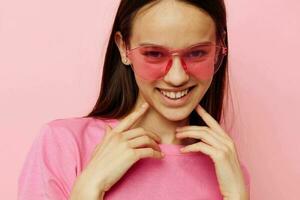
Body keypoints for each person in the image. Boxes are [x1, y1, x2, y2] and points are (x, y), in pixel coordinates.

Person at [18, 0, 251, 199]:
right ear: (123, 47)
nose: (177, 76)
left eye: (197, 52)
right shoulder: (63, 144)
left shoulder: (226, 166)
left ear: (220, 49)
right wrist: (89, 189)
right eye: (154, 54)